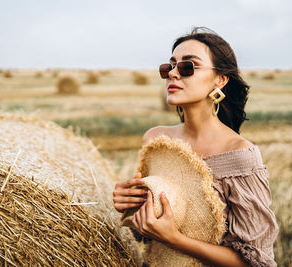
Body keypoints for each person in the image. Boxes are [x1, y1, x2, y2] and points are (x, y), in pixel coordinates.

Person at [112, 27, 279, 267]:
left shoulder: (240, 156)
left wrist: (175, 240)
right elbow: (147, 230)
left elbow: (253, 261)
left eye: (187, 67)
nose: (173, 74)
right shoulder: (157, 141)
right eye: (169, 66)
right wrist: (128, 204)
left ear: (220, 79)